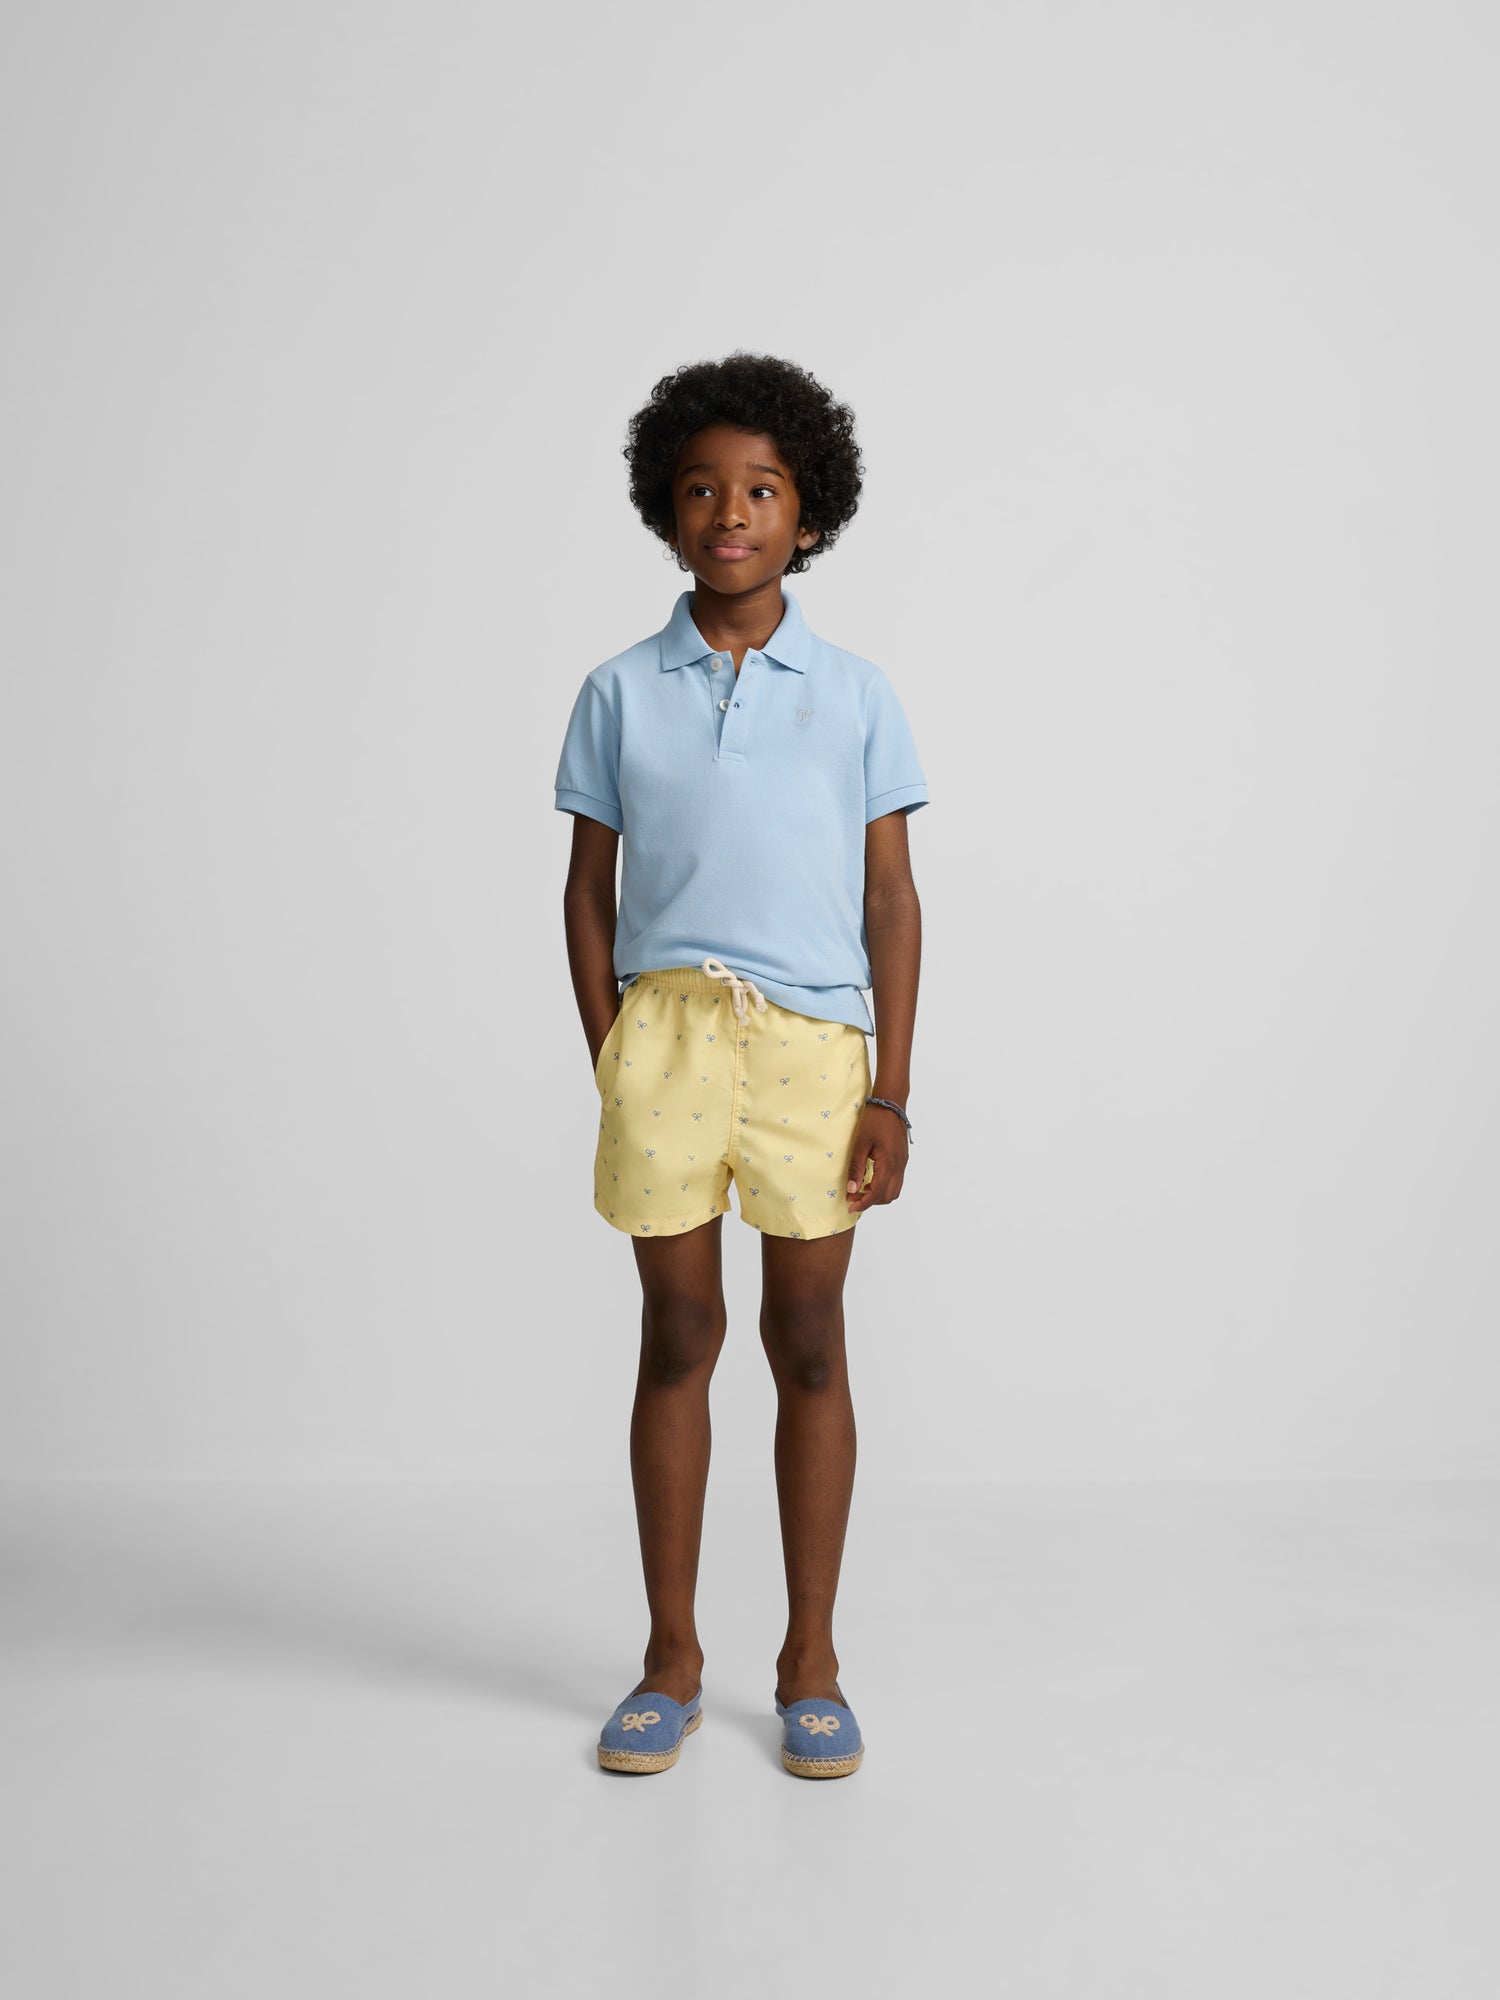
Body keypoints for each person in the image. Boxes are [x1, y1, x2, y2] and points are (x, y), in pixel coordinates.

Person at [553, 352, 927, 1778]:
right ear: (667, 511)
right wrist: (615, 1048)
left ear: (808, 515)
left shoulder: (859, 694)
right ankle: (671, 1660)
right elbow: (588, 889)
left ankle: (810, 1662)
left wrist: (890, 1088)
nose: (730, 512)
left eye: (762, 490)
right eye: (702, 489)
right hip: (667, 1039)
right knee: (678, 1334)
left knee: (811, 1340)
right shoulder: (617, 692)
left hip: (818, 1053)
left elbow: (891, 897)